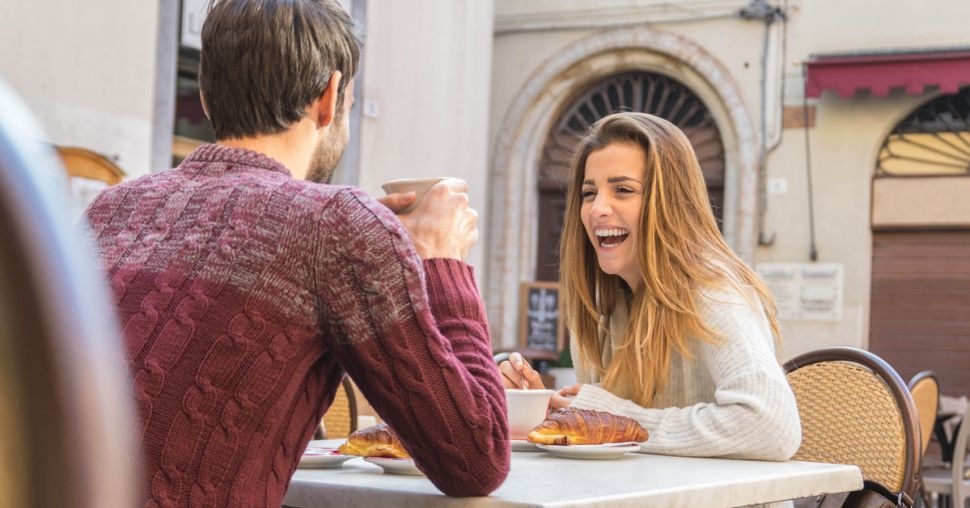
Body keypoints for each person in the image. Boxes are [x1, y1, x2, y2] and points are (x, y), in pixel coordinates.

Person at [82, 0, 509, 505]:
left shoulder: (111, 208)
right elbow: (477, 459)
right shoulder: (336, 227)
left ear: (206, 96)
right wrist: (443, 262)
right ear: (328, 98)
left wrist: (373, 247)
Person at [500, 112, 801, 461]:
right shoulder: (604, 304)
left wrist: (620, 420)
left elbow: (771, 427)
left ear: (670, 202)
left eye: (623, 190)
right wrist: (549, 412)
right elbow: (620, 447)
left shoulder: (712, 289)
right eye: (588, 192)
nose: (598, 208)